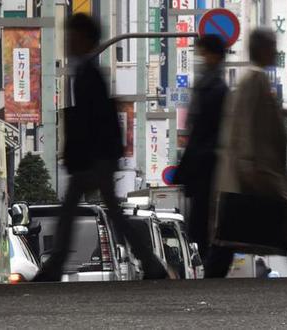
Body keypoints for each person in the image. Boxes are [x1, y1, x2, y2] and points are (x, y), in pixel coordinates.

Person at [33, 14, 166, 282]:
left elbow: (90, 120)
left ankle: (55, 265)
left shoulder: (87, 73)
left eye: (72, 36)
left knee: (73, 210)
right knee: (109, 213)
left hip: (93, 157)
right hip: (99, 156)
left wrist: (79, 154)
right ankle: (151, 264)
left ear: (85, 39)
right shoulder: (87, 71)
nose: (68, 41)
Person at [211, 28, 287, 278]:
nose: (276, 51)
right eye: (273, 46)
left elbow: (254, 117)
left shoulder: (253, 78)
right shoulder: (255, 78)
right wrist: (247, 165)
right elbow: (244, 124)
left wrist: (282, 112)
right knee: (276, 225)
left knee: (241, 233)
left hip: (256, 171)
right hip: (256, 172)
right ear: (263, 49)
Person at [173, 35, 229, 264]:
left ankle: (214, 262)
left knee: (204, 216)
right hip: (207, 159)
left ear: (214, 55)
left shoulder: (214, 87)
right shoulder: (212, 83)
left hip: (206, 160)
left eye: (204, 53)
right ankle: (213, 261)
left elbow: (201, 129)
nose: (201, 58)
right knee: (205, 216)